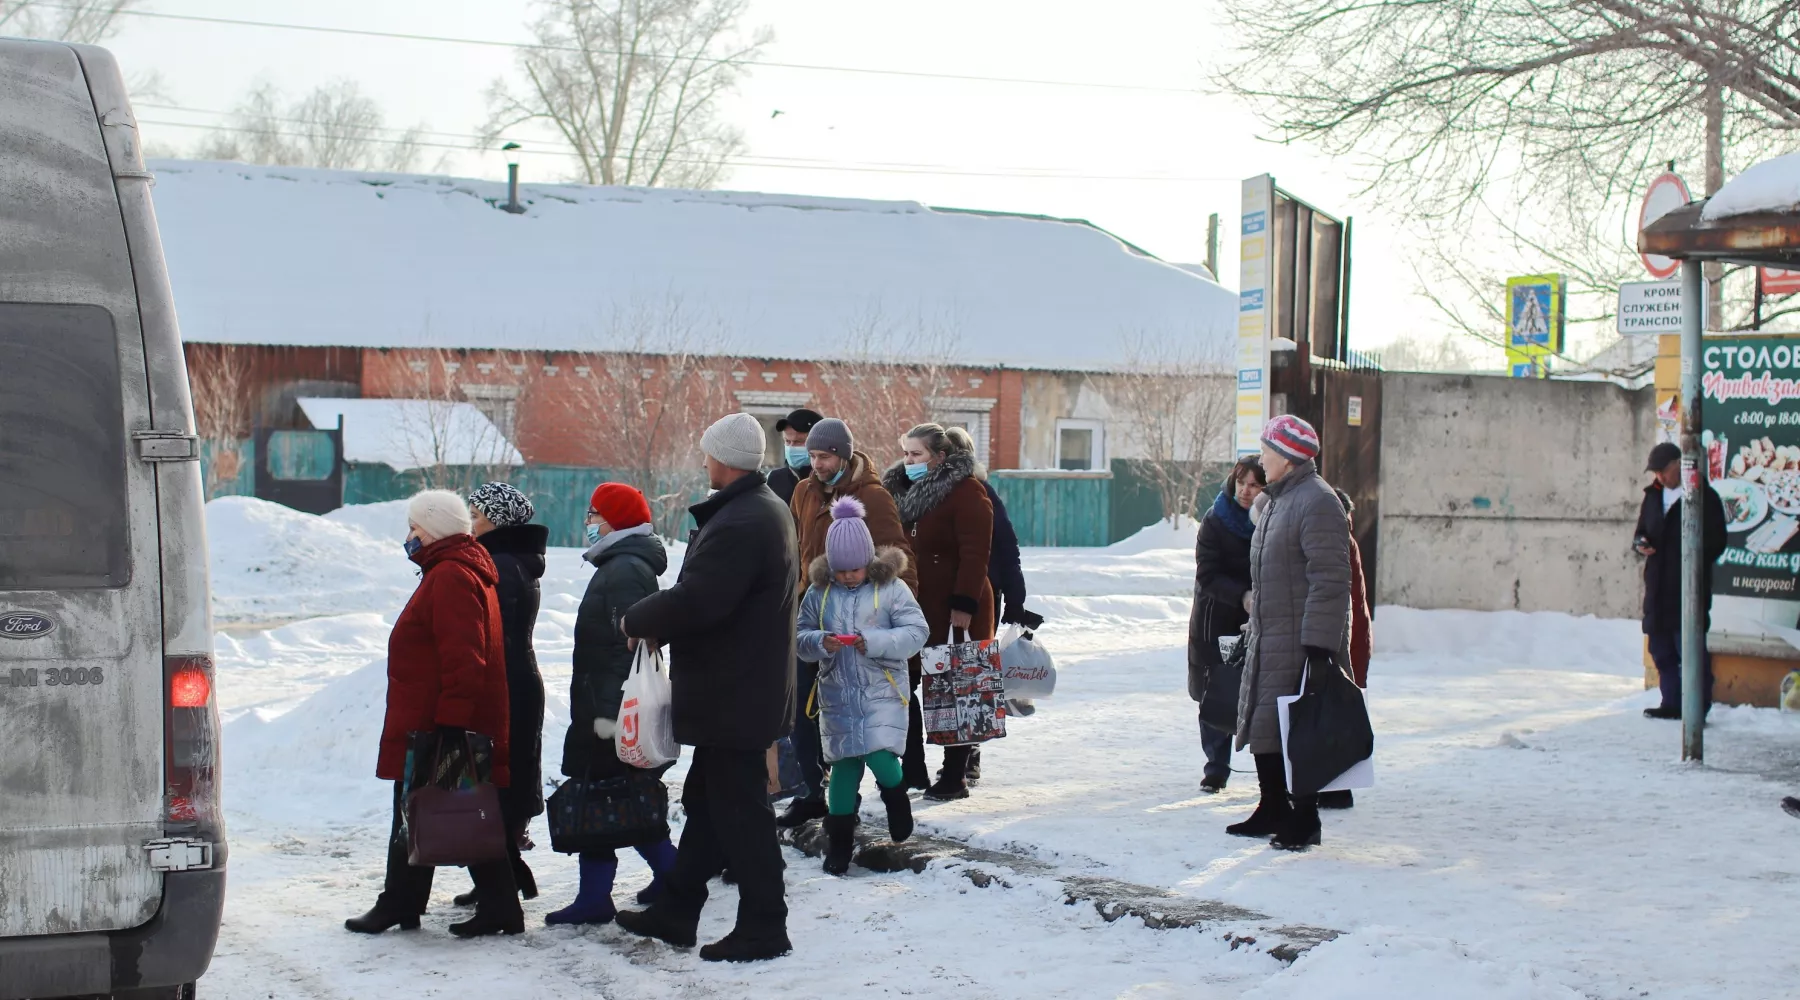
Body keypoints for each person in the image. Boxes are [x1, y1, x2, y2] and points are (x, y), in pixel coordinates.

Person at [615, 412, 799, 963]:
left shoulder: (744, 520)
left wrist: (635, 620)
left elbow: (698, 599)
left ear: (723, 459)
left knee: (741, 811)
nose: (703, 462)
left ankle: (766, 925)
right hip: (738, 689)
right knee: (707, 801)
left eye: (707, 454)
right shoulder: (758, 509)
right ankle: (678, 907)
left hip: (737, 693)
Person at [346, 490, 523, 938]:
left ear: (437, 528)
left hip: (438, 722)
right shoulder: (453, 570)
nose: (409, 536)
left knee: (436, 809)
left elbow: (465, 657)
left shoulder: (451, 576)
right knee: (449, 808)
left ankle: (405, 902)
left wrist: (451, 720)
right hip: (436, 718)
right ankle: (426, 902)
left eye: (415, 528)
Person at [545, 482, 679, 926]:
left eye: (595, 513)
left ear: (615, 519)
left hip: (610, 707)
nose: (588, 521)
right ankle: (639, 884)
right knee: (614, 794)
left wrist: (610, 715)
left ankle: (665, 879)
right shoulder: (621, 563)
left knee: (610, 794)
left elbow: (630, 645)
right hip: (604, 701)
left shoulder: (623, 568)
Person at [780, 417, 916, 826]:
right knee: (808, 716)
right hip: (815, 619)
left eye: (823, 456)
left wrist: (890, 626)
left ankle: (873, 798)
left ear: (842, 454)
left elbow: (900, 562)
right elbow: (795, 550)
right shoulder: (803, 491)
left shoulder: (871, 497)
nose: (815, 463)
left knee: (866, 724)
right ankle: (812, 791)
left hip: (864, 629)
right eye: (813, 455)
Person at [1229, 416, 1350, 852]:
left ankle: (1305, 817)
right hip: (1271, 632)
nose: (1261, 460)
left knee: (1295, 730)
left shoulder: (1317, 502)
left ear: (1287, 456)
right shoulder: (1280, 500)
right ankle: (1272, 806)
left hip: (1300, 639)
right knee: (1265, 725)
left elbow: (1331, 579)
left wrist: (1319, 647)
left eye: (1266, 452)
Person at [795, 497, 931, 874]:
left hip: (882, 688)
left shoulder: (892, 589)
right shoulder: (819, 593)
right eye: (840, 571)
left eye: (854, 569)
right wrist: (821, 641)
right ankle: (839, 843)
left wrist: (874, 640)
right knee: (844, 764)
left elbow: (917, 631)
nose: (848, 577)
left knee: (879, 753)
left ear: (868, 562)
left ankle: (896, 798)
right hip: (837, 690)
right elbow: (800, 635)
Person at [882, 423, 995, 800]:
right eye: (906, 453)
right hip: (915, 605)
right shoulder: (902, 492)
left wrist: (964, 603)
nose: (908, 461)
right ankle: (912, 766)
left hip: (955, 608)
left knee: (957, 686)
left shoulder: (966, 491)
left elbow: (976, 552)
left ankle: (955, 773)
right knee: (907, 683)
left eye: (917, 454)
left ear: (940, 457)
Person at [449, 483, 547, 909]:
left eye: (476, 512)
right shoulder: (510, 560)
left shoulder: (502, 564)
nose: (470, 520)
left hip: (508, 682)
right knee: (500, 779)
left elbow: (490, 632)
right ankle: (501, 875)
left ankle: (502, 880)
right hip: (515, 677)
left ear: (497, 519)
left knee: (497, 781)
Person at [1633, 441, 1726, 719]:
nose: (1660, 477)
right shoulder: (1653, 496)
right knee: (1661, 649)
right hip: (1657, 587)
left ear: (1679, 465)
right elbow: (1640, 531)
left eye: (1664, 471)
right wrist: (1641, 543)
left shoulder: (1702, 496)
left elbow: (1717, 541)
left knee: (1690, 649)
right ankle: (1671, 702)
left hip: (1687, 587)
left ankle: (1697, 707)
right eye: (1656, 472)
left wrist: (1690, 558)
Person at [1188, 457, 1265, 794]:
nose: (1246, 491)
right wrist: (1243, 595)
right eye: (1241, 483)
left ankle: (1271, 774)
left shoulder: (1271, 519)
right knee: (1217, 691)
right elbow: (1207, 575)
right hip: (1216, 617)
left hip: (1261, 617)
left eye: (1254, 485)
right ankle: (1216, 768)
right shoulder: (1216, 519)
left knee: (1263, 693)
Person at [1316, 485, 1374, 811]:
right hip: (1352, 639)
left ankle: (1336, 787)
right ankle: (1336, 787)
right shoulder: (1343, 540)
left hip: (1345, 641)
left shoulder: (1337, 542)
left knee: (1336, 713)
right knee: (1341, 712)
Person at [768, 407, 823, 506]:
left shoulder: (828, 479)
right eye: (787, 441)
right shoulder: (774, 479)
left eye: (799, 442)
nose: (791, 447)